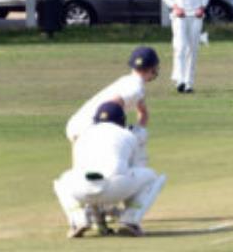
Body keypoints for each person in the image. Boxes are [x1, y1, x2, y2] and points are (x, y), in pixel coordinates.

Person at [54, 102, 167, 238]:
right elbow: (136, 168)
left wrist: (99, 219)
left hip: (83, 189)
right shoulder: (127, 134)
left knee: (62, 182)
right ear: (122, 120)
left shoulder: (82, 136)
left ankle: (78, 219)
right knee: (152, 177)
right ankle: (130, 218)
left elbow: (81, 171)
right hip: (117, 187)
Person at [66, 46, 159, 145]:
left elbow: (143, 112)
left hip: (77, 125)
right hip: (89, 127)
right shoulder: (135, 88)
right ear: (152, 68)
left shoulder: (129, 82)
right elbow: (111, 107)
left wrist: (138, 129)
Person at [160, 0, 212, 93]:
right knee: (180, 46)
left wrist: (202, 7)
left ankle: (189, 83)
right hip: (179, 14)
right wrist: (175, 7)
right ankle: (179, 80)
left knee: (193, 48)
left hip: (195, 14)